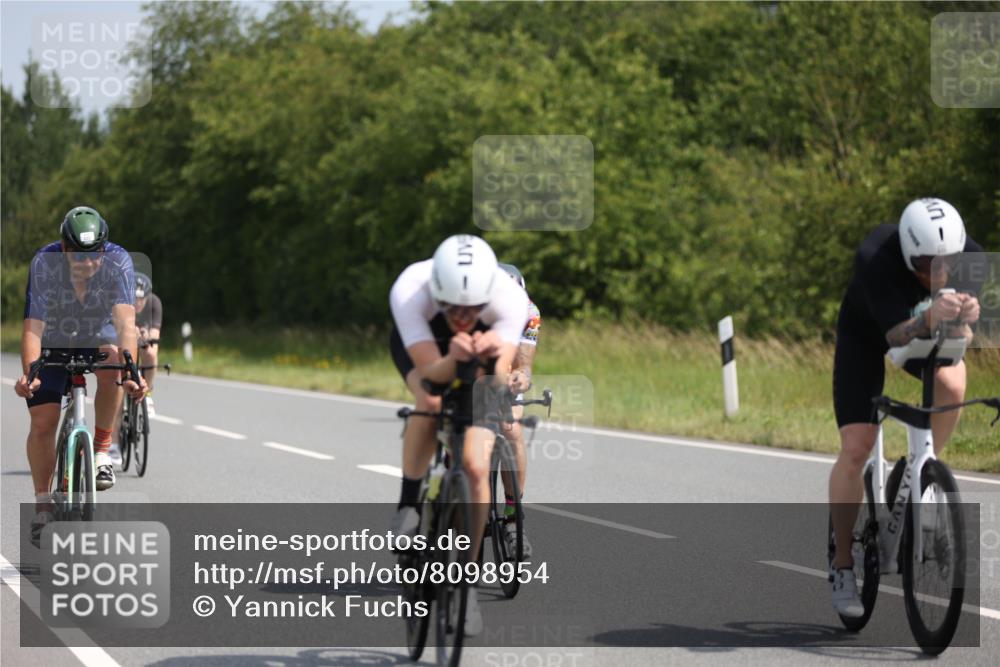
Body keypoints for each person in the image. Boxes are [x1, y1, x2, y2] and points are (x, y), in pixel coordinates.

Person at [829, 198, 984, 617]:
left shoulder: (972, 257)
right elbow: (896, 337)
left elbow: (961, 342)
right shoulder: (875, 255)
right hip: (868, 332)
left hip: (926, 328)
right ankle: (842, 564)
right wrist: (931, 317)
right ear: (906, 250)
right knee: (857, 446)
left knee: (952, 381)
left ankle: (924, 471)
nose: (938, 273)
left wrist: (966, 321)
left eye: (947, 263)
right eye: (925, 265)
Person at [388, 235, 529, 636]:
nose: (463, 316)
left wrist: (493, 356)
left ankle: (466, 585)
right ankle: (409, 505)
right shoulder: (410, 290)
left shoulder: (509, 300)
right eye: (453, 307)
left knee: (475, 466)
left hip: (484, 352)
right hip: (429, 346)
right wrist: (452, 357)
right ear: (437, 292)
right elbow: (432, 373)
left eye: (472, 309)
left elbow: (498, 381)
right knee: (431, 403)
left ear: (488, 297)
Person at [14, 206, 146, 543]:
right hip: (53, 339)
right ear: (63, 248)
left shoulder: (117, 261)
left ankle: (101, 449)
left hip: (96, 334)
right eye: (78, 255)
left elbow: (125, 323)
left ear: (104, 249)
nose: (87, 263)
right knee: (43, 422)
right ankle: (43, 505)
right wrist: (30, 374)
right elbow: (33, 328)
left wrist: (132, 370)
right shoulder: (45, 262)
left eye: (93, 255)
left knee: (114, 361)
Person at [496, 263, 541, 558]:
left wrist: (520, 378)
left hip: (504, 370)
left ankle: (513, 517)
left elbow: (524, 363)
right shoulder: (472, 307)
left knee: (511, 429)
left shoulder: (530, 313)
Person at [110, 272, 161, 465]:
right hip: (121, 338)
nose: (138, 303)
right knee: (117, 390)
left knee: (151, 354)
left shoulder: (154, 303)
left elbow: (155, 336)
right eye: (134, 298)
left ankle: (148, 394)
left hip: (142, 338)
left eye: (141, 299)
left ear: (147, 297)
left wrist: (146, 338)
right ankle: (114, 444)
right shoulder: (119, 301)